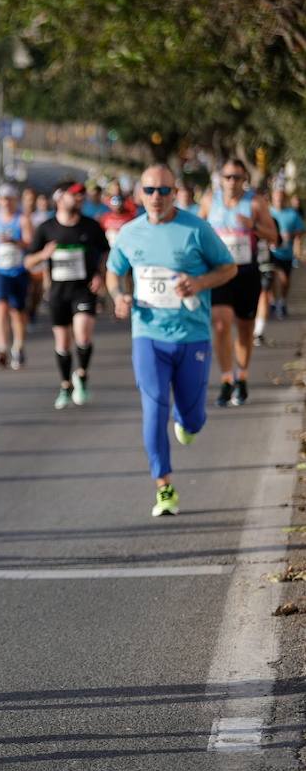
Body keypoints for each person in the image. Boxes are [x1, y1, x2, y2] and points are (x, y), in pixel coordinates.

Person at [106, 164, 236, 517]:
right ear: (140, 194)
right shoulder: (130, 234)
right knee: (153, 406)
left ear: (175, 192)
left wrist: (199, 283)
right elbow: (114, 272)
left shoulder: (195, 229)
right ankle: (164, 486)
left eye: (164, 190)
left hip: (192, 335)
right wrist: (119, 296)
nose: (157, 197)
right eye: (150, 191)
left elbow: (229, 267)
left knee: (193, 418)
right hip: (148, 334)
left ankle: (187, 420)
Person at [199, 159, 279, 406]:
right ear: (220, 178)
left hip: (246, 273)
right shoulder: (209, 201)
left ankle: (241, 377)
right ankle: (226, 379)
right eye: (228, 177)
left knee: (245, 329)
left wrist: (253, 226)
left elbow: (274, 237)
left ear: (245, 179)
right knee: (221, 325)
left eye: (237, 177)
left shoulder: (255, 202)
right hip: (220, 273)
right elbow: (197, 230)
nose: (232, 182)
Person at [24, 183, 109, 409]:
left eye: (82, 195)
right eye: (75, 195)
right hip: (58, 292)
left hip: (84, 289)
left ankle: (81, 375)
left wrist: (100, 275)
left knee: (82, 335)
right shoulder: (46, 228)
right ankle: (65, 386)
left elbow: (105, 252)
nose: (80, 198)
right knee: (62, 343)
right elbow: (28, 262)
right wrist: (44, 254)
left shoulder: (91, 226)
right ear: (60, 198)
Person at [0, 183, 33, 368]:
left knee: (17, 312)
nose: (6, 203)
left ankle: (18, 347)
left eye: (9, 199)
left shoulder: (22, 219)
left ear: (15, 200)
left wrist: (13, 241)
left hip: (18, 270)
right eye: (3, 199)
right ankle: (2, 348)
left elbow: (29, 243)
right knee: (1, 306)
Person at [266, 185, 303, 320]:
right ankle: (272, 303)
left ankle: (281, 302)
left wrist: (291, 235)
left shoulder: (292, 214)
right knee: (270, 279)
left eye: (281, 199)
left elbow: (301, 231)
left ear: (285, 199)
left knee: (285, 281)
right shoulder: (267, 212)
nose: (279, 201)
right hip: (270, 253)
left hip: (286, 254)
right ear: (272, 199)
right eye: (276, 199)